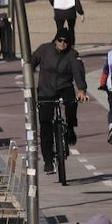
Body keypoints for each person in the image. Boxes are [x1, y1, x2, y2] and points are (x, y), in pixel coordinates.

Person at [30, 29, 89, 175]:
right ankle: (48, 161)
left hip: (64, 87)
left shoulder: (72, 55)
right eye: (60, 40)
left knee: (71, 102)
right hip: (46, 91)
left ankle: (69, 128)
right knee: (45, 125)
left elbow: (78, 71)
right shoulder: (44, 49)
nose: (63, 43)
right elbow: (31, 62)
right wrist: (27, 70)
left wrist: (81, 90)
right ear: (55, 39)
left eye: (66, 41)